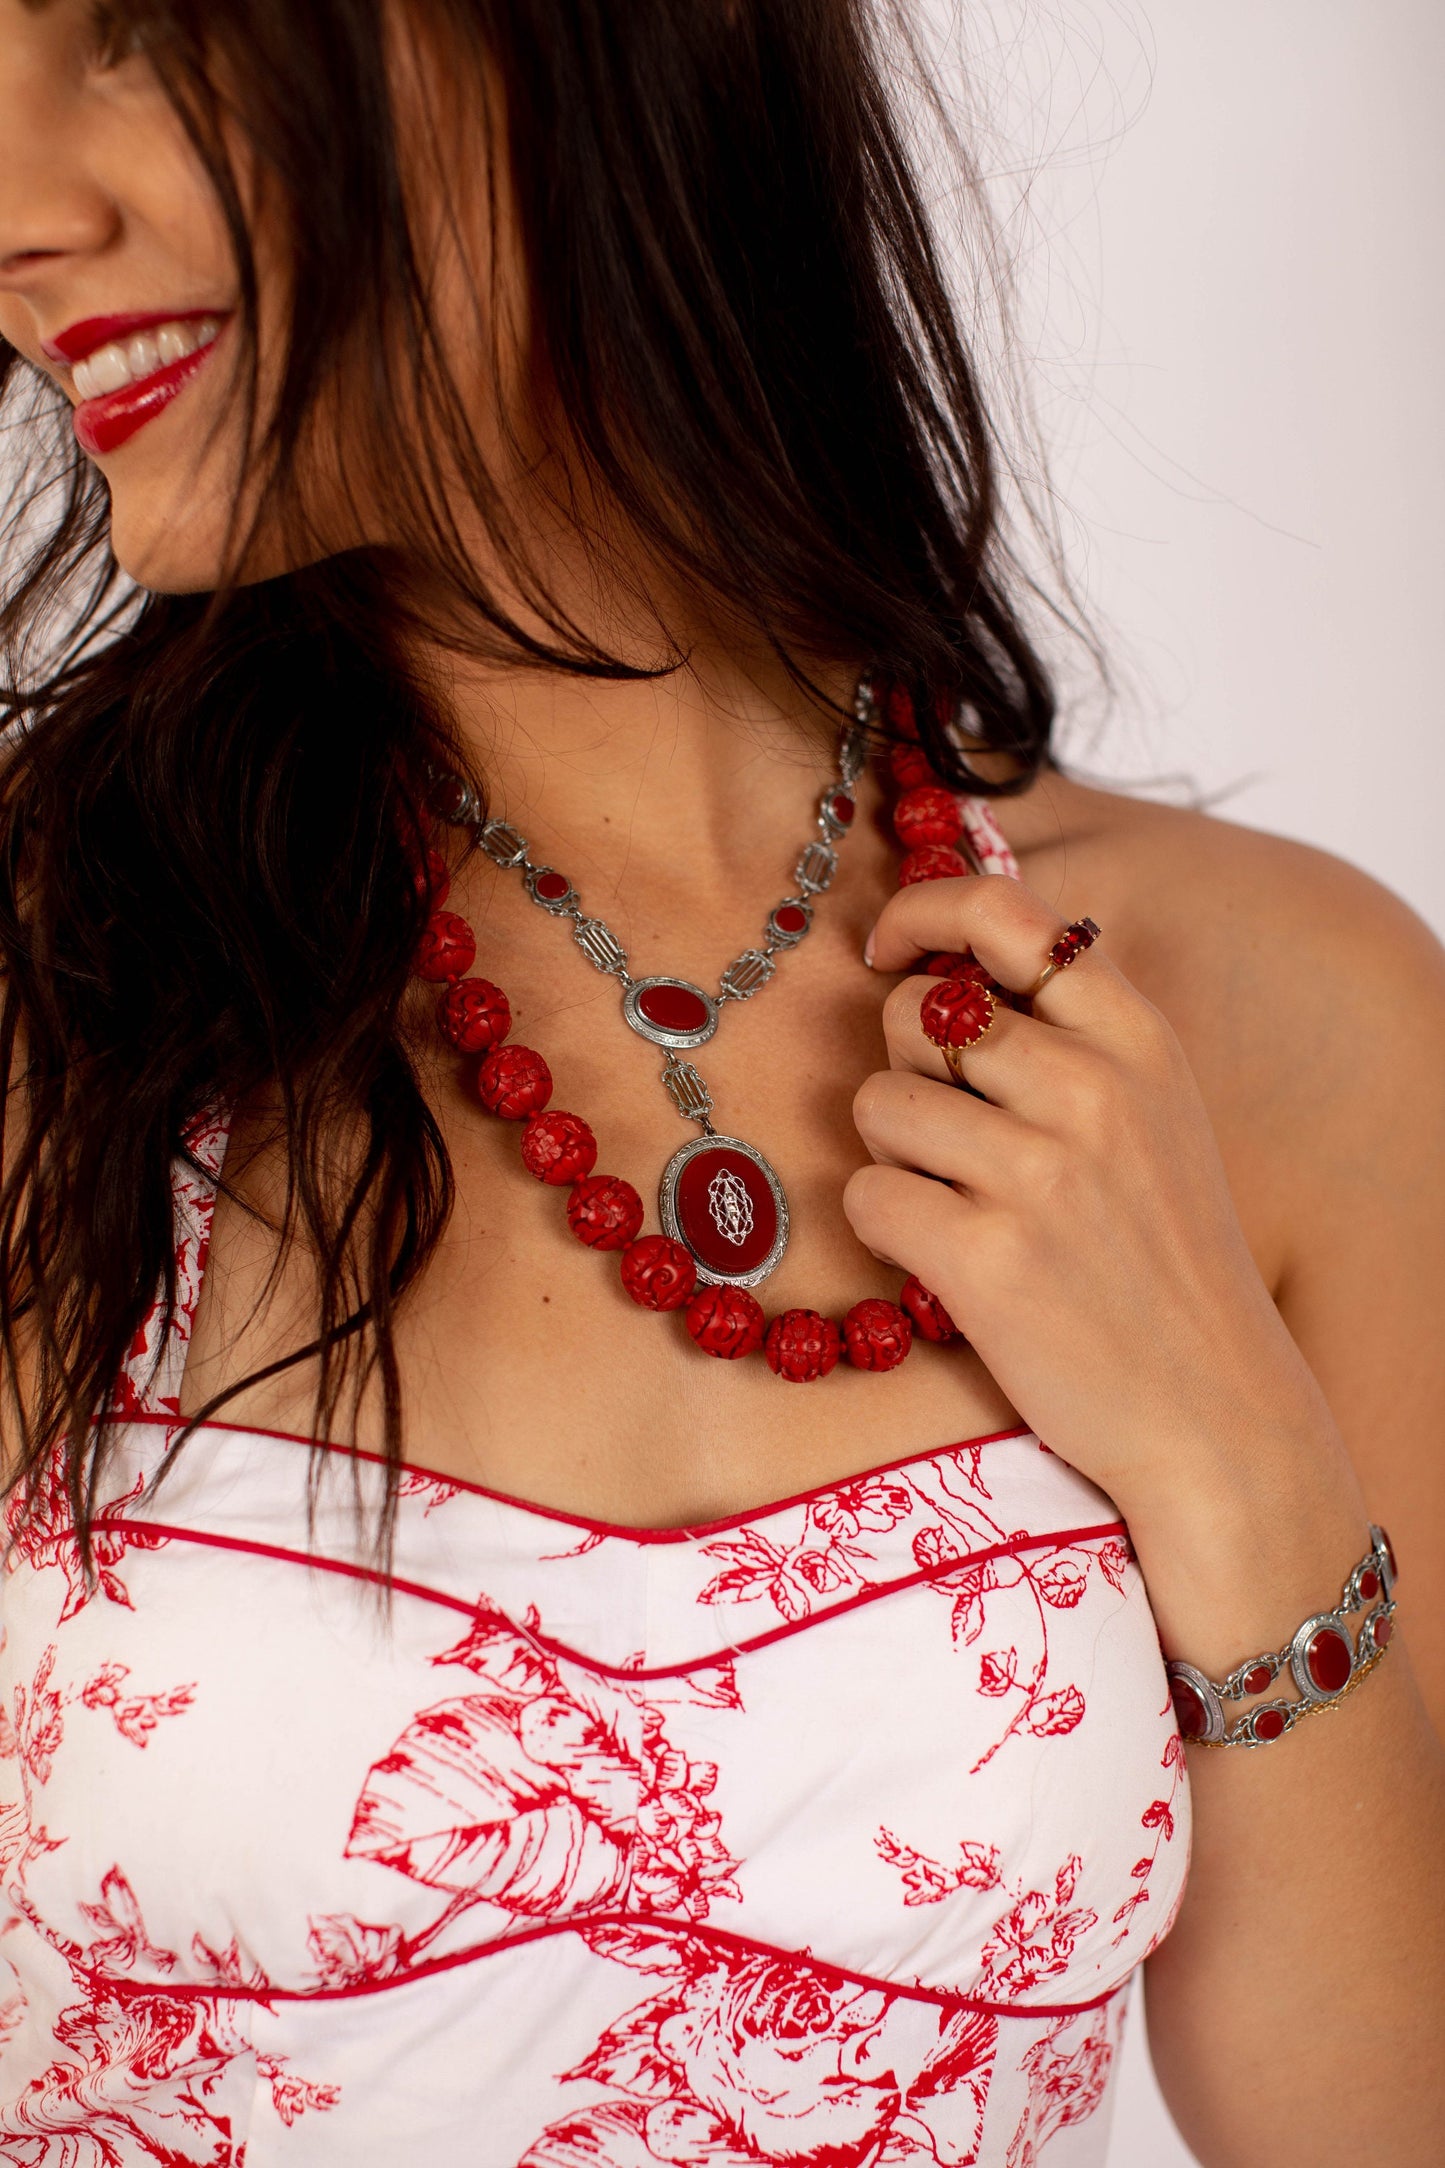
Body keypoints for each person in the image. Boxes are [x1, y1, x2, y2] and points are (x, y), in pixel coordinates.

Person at [0, 2, 1440, 2163]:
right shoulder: (59, 992)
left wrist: (1234, 1460)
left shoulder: (1281, 1010)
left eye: (135, 31)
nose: (17, 208)